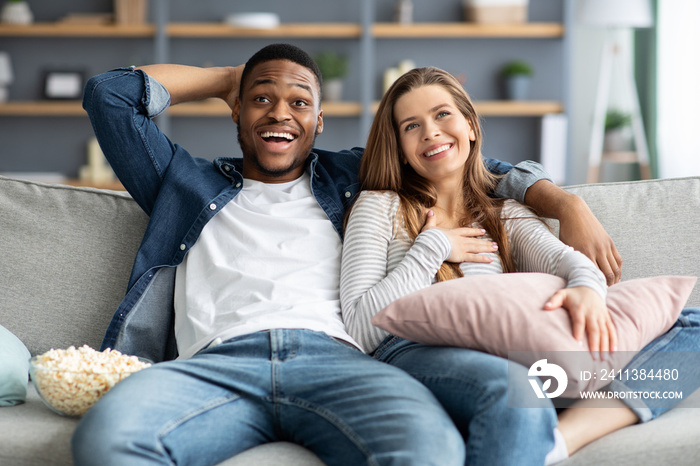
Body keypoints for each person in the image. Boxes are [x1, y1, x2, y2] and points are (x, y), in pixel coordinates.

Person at [72, 42, 617, 465]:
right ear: (236, 113)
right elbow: (108, 95)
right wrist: (228, 78)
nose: (279, 113)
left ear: (319, 121)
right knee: (107, 439)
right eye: (261, 99)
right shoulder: (182, 180)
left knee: (432, 452)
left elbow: (464, 160)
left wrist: (564, 202)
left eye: (299, 102)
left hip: (340, 362)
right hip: (215, 365)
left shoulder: (352, 177)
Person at [339, 66, 700, 465]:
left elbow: (571, 263)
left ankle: (561, 441)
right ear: (400, 147)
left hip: (515, 353)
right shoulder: (379, 206)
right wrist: (434, 247)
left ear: (471, 126)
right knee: (513, 389)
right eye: (411, 126)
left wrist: (587, 290)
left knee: (693, 327)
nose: (430, 132)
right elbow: (359, 327)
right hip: (417, 354)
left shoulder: (505, 214)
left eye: (443, 114)